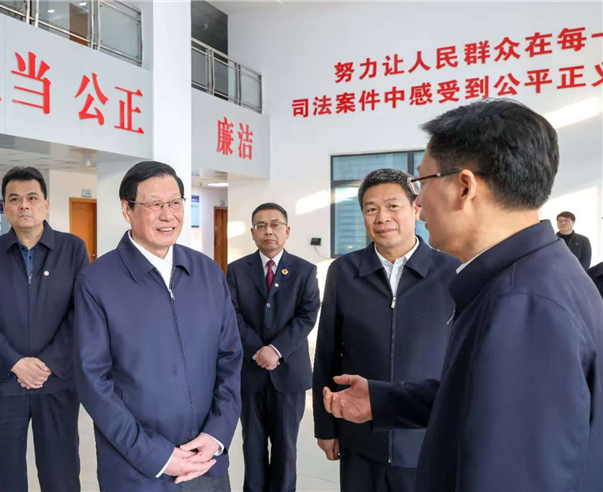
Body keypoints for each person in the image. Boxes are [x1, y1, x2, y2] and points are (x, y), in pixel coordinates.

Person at [321, 99, 603, 491]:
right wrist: (385, 401)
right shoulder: (531, 275)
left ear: (465, 187)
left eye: (422, 183)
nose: (419, 207)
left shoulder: (523, 304)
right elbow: (477, 399)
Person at [74, 161, 242, 492]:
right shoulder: (97, 282)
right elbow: (93, 381)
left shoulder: (208, 272)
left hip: (206, 462)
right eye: (154, 204)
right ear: (127, 210)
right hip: (137, 469)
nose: (168, 215)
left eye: (175, 202)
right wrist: (156, 455)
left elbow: (230, 358)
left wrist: (217, 434)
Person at [312, 168, 459, 492]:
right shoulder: (344, 271)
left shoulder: (451, 270)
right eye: (371, 209)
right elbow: (326, 353)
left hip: (427, 438)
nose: (382, 218)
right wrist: (325, 426)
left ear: (416, 209)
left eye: (393, 206)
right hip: (360, 437)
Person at [0, 166, 89, 492]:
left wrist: (46, 363)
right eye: (15, 199)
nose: (24, 205)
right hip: (5, 381)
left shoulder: (72, 249)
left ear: (46, 204)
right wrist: (15, 362)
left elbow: (81, 315)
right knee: (3, 475)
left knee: (61, 473)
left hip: (57, 381)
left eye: (32, 198)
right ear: (5, 207)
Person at [225, 202, 320, 492]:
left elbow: (307, 314)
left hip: (289, 376)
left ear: (287, 231)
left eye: (275, 225)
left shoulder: (304, 270)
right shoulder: (236, 270)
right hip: (250, 374)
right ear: (252, 232)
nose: (269, 231)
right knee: (252, 448)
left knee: (285, 450)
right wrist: (258, 350)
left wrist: (276, 350)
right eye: (262, 226)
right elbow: (231, 314)